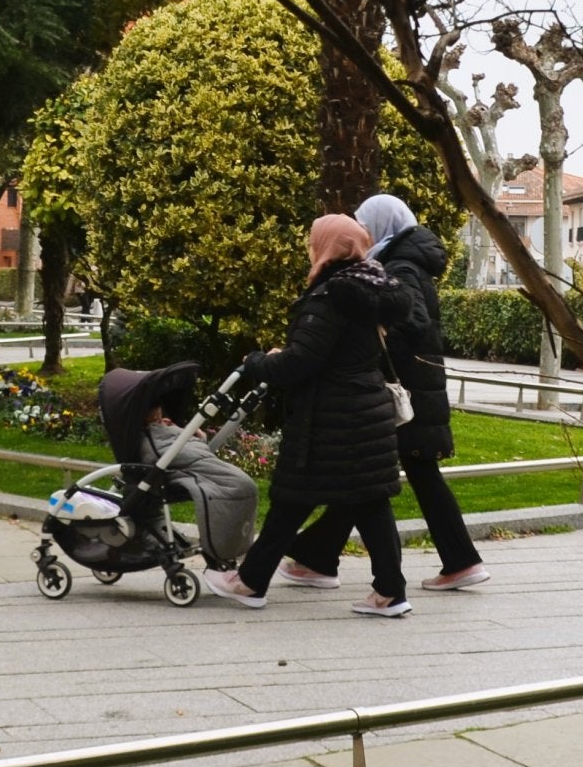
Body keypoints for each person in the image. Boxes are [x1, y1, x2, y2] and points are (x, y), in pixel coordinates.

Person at [278, 193, 490, 594]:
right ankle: (458, 560)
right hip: (412, 388)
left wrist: (367, 332)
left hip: (401, 390)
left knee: (369, 478)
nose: (360, 231)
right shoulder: (403, 260)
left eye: (365, 223)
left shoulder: (401, 265)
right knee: (385, 477)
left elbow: (412, 323)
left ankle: (317, 556)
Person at [204, 216, 414, 616]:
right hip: (365, 411)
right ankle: (390, 592)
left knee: (291, 500)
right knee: (371, 502)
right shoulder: (372, 287)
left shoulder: (331, 296)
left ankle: (250, 583)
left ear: (327, 246)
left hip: (330, 417)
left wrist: (257, 363)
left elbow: (301, 362)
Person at [142, 400, 258, 568]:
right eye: (154, 411)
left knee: (242, 485)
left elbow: (191, 450)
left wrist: (198, 439)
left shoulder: (167, 426)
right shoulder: (148, 436)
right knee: (236, 487)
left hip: (197, 463)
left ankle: (228, 547)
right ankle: (221, 547)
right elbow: (161, 454)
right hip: (181, 466)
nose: (158, 413)